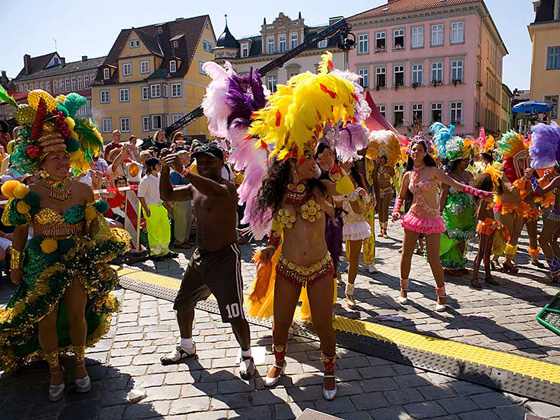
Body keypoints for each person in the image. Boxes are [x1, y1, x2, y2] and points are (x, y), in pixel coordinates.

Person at [0, 89, 130, 401]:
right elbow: (20, 233)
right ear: (41, 162)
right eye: (55, 158)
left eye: (64, 156)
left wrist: (103, 245)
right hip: (40, 261)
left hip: (75, 256)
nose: (63, 161)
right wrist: (15, 266)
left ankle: (80, 365)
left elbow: (93, 226)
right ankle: (55, 368)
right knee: (45, 315)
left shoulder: (82, 191)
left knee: (76, 312)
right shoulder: (30, 194)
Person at [159, 144, 255, 379]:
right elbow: (167, 195)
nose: (203, 165)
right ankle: (186, 345)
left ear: (221, 163)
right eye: (199, 161)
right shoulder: (194, 186)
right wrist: (164, 169)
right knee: (183, 303)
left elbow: (213, 191)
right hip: (200, 256)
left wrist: (183, 171)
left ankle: (246, 355)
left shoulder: (227, 187)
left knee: (234, 312)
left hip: (224, 257)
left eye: (209, 161)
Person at [392, 138, 493, 312]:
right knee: (406, 255)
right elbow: (400, 196)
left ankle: (441, 295)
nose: (416, 152)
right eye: (414, 149)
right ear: (410, 152)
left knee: (434, 259)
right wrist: (396, 210)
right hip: (413, 217)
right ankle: (404, 289)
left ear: (426, 153)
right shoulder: (408, 175)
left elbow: (456, 185)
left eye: (420, 150)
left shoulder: (433, 171)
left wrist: (480, 193)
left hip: (431, 219)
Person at [138, 157, 176, 260]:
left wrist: (168, 206)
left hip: (161, 206)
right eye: (158, 165)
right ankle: (155, 253)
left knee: (165, 228)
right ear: (152, 166)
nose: (160, 166)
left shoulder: (160, 177)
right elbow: (140, 196)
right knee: (154, 230)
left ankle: (165, 250)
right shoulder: (145, 180)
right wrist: (146, 209)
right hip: (151, 207)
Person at [471, 168, 502, 287]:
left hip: (490, 227)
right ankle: (474, 277)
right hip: (484, 227)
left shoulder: (490, 197)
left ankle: (488, 276)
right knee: (481, 252)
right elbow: (480, 216)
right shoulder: (484, 199)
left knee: (488, 252)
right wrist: (492, 222)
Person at [170, 150, 192, 248]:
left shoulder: (184, 170)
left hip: (187, 198)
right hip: (180, 199)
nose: (189, 159)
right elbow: (174, 186)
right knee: (181, 221)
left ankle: (185, 239)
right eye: (187, 157)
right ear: (181, 159)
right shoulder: (176, 172)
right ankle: (179, 241)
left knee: (187, 219)